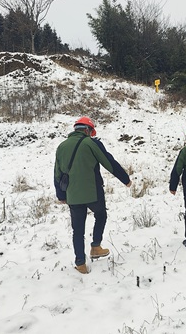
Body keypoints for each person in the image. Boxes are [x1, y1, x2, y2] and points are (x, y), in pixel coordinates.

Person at [54, 117, 132, 274]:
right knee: (101, 215)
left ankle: (80, 263)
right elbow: (109, 162)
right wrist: (125, 179)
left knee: (78, 229)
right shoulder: (92, 143)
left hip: (73, 195)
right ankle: (96, 246)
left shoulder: (61, 146)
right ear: (87, 130)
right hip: (93, 192)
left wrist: (61, 195)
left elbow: (57, 173)